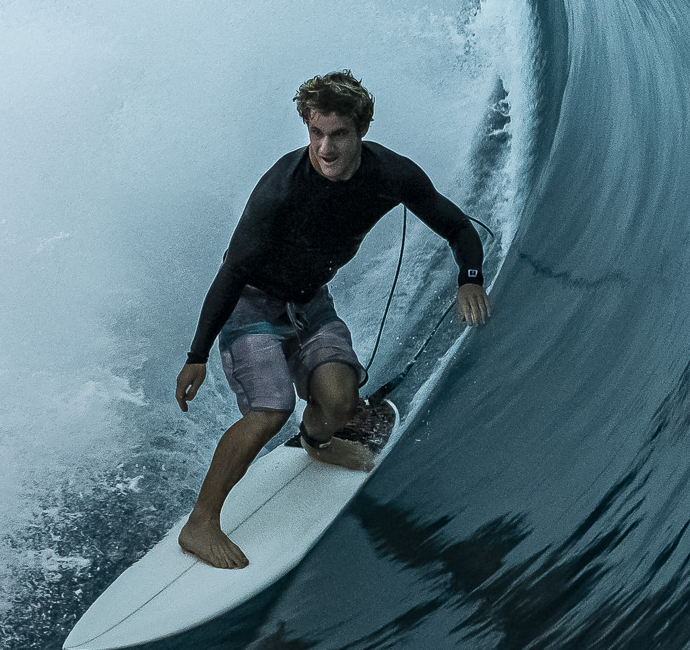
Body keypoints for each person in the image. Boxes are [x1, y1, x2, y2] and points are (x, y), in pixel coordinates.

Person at [173, 70, 491, 569]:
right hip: (251, 303)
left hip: (310, 301)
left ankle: (318, 442)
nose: (325, 147)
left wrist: (470, 278)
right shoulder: (281, 188)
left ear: (360, 129)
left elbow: (457, 227)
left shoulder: (391, 174)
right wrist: (197, 356)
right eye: (315, 133)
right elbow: (232, 271)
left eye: (338, 134)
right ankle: (201, 523)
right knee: (269, 410)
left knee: (343, 402)